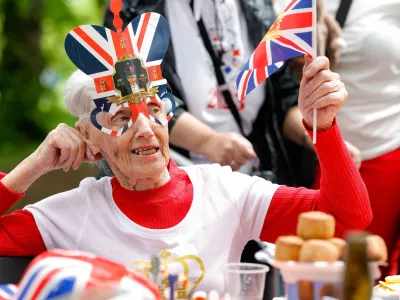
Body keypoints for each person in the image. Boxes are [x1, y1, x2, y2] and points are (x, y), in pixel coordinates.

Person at [0, 55, 372, 294]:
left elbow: (346, 219)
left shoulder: (224, 190)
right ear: (87, 136)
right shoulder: (72, 212)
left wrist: (324, 128)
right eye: (121, 118)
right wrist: (33, 167)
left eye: (154, 110)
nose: (145, 129)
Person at [311, 0, 400, 278]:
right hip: (322, 154)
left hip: (388, 154)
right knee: (316, 277)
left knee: (379, 281)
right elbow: (282, 94)